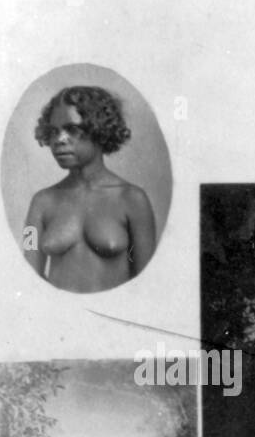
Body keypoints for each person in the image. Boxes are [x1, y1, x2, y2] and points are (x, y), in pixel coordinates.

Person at [22, 85, 157, 293]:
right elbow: (27, 273)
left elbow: (148, 284)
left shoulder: (132, 199)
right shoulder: (41, 203)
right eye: (54, 131)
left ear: (99, 130)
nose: (60, 139)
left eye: (72, 129)